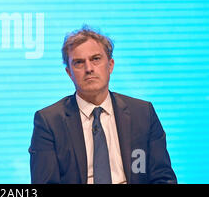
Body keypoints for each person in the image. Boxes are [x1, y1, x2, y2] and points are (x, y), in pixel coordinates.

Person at [29, 26, 177, 184]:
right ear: (69, 73)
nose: (89, 69)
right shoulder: (49, 122)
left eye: (95, 59)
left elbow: (162, 178)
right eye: (79, 62)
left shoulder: (142, 113)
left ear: (111, 65)